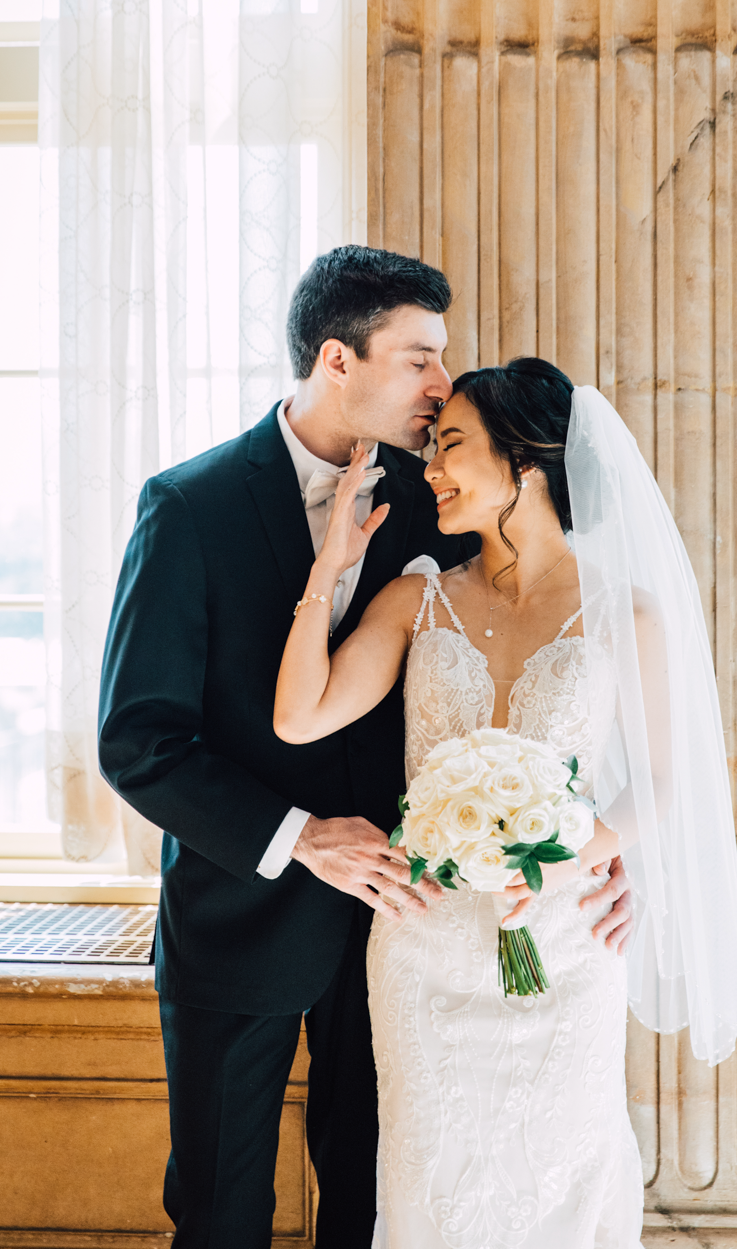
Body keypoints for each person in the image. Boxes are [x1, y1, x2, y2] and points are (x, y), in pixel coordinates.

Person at [98, 252, 633, 1249]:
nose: (441, 385)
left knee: (376, 1208)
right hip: (239, 922)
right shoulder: (189, 506)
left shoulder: (446, 503)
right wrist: (301, 837)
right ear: (338, 358)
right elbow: (138, 740)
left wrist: (588, 852)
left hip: (413, 934)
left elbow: (532, 695)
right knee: (219, 1216)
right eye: (421, 357)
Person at [274, 357, 737, 1249]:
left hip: (565, 940)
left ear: (525, 463)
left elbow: (667, 782)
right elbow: (300, 716)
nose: (430, 470)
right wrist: (330, 568)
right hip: (423, 943)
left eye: (450, 446)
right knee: (430, 1176)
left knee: (562, 1169)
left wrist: (568, 848)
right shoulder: (419, 595)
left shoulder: (628, 614)